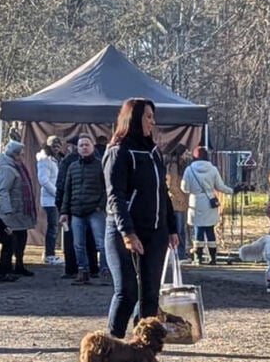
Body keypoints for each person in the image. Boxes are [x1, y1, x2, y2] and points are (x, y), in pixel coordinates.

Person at [103, 98, 179, 338]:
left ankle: (141, 353)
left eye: (153, 117)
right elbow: (116, 196)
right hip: (123, 230)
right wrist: (127, 233)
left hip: (155, 232)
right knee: (127, 291)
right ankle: (110, 347)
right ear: (134, 118)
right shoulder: (118, 152)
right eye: (148, 117)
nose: (152, 122)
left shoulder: (154, 152)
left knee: (150, 295)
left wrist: (171, 228)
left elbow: (162, 192)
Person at [60, 134, 109, 285]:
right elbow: (67, 190)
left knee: (101, 243)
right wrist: (64, 212)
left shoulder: (101, 166)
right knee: (78, 244)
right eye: (81, 145)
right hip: (76, 212)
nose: (84, 148)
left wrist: (100, 206)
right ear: (77, 148)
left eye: (87, 145)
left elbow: (107, 189)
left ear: (93, 147)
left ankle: (105, 270)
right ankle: (83, 271)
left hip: (95, 211)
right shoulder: (72, 167)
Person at [181, 146, 233, 265]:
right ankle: (213, 258)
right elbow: (220, 186)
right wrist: (231, 190)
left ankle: (198, 258)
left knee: (198, 230)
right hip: (210, 202)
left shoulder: (189, 170)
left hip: (196, 202)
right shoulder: (213, 169)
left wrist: (193, 190)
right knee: (210, 230)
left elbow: (184, 188)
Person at [0, 141, 37, 278]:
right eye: (22, 154)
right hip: (12, 211)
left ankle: (19, 265)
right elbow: (2, 190)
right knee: (11, 240)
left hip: (20, 211)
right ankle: (5, 269)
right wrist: (7, 209)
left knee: (21, 238)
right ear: (15, 155)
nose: (24, 157)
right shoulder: (7, 169)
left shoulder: (17, 167)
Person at [37, 135, 65, 265]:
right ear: (48, 146)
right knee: (53, 227)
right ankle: (49, 254)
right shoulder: (44, 160)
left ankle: (50, 252)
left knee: (57, 226)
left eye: (58, 146)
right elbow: (43, 180)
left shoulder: (58, 159)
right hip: (50, 199)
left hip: (56, 198)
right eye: (54, 146)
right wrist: (56, 193)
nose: (56, 148)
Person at [165, 145, 190, 264]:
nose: (187, 156)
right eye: (185, 153)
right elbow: (172, 185)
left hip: (178, 203)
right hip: (176, 203)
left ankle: (180, 253)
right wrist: (181, 198)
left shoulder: (178, 166)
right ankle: (180, 254)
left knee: (180, 230)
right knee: (178, 230)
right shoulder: (174, 166)